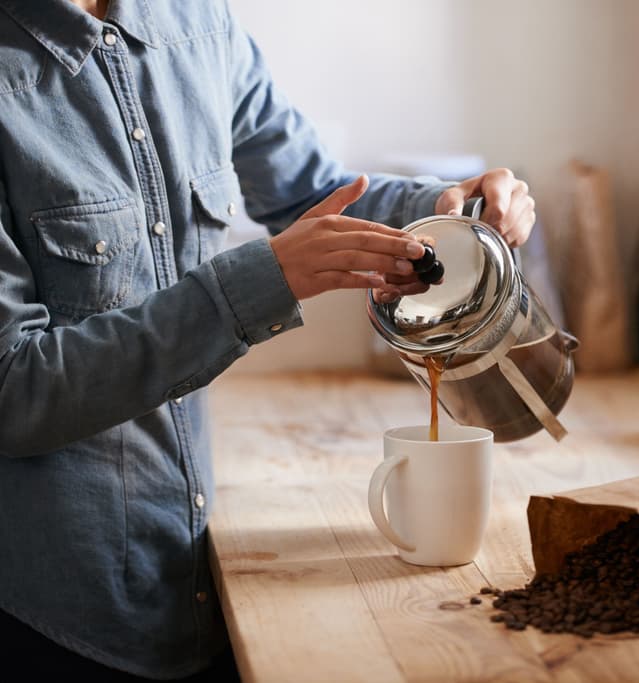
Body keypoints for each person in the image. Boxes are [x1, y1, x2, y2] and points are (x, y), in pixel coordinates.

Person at [0, 0, 536, 679]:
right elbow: (13, 389)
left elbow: (314, 193)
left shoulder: (198, 22)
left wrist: (447, 208)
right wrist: (255, 285)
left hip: (196, 576)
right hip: (62, 621)